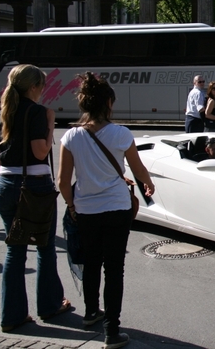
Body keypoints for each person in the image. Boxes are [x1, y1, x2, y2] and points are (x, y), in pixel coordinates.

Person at [58, 72, 155, 349]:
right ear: (107, 103)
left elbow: (63, 182)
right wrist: (148, 185)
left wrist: (72, 205)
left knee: (91, 261)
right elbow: (138, 170)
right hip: (116, 208)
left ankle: (90, 313)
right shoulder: (121, 133)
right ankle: (111, 330)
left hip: (86, 210)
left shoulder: (71, 136)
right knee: (114, 269)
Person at [0, 64, 70, 333]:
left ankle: (12, 314)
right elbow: (40, 152)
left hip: (5, 184)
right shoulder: (36, 112)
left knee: (15, 250)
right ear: (34, 87)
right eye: (42, 87)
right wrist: (50, 125)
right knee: (45, 246)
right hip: (34, 186)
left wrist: (0, 188)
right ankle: (49, 306)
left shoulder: (1, 115)